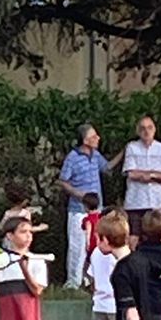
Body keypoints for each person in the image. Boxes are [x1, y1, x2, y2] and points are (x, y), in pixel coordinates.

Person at [58, 123, 109, 289]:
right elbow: (63, 181)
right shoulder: (72, 157)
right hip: (78, 210)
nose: (98, 138)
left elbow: (107, 167)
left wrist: (125, 153)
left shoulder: (95, 155)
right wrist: (78, 194)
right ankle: (73, 282)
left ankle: (89, 280)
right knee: (77, 247)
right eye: (94, 136)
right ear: (85, 140)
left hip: (96, 209)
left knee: (95, 246)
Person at [121, 115, 161, 231]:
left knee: (160, 237)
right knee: (134, 237)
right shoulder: (132, 147)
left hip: (158, 203)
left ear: (154, 129)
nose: (146, 131)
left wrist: (151, 175)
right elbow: (131, 173)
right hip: (136, 202)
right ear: (138, 131)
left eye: (149, 127)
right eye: (143, 128)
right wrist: (159, 176)